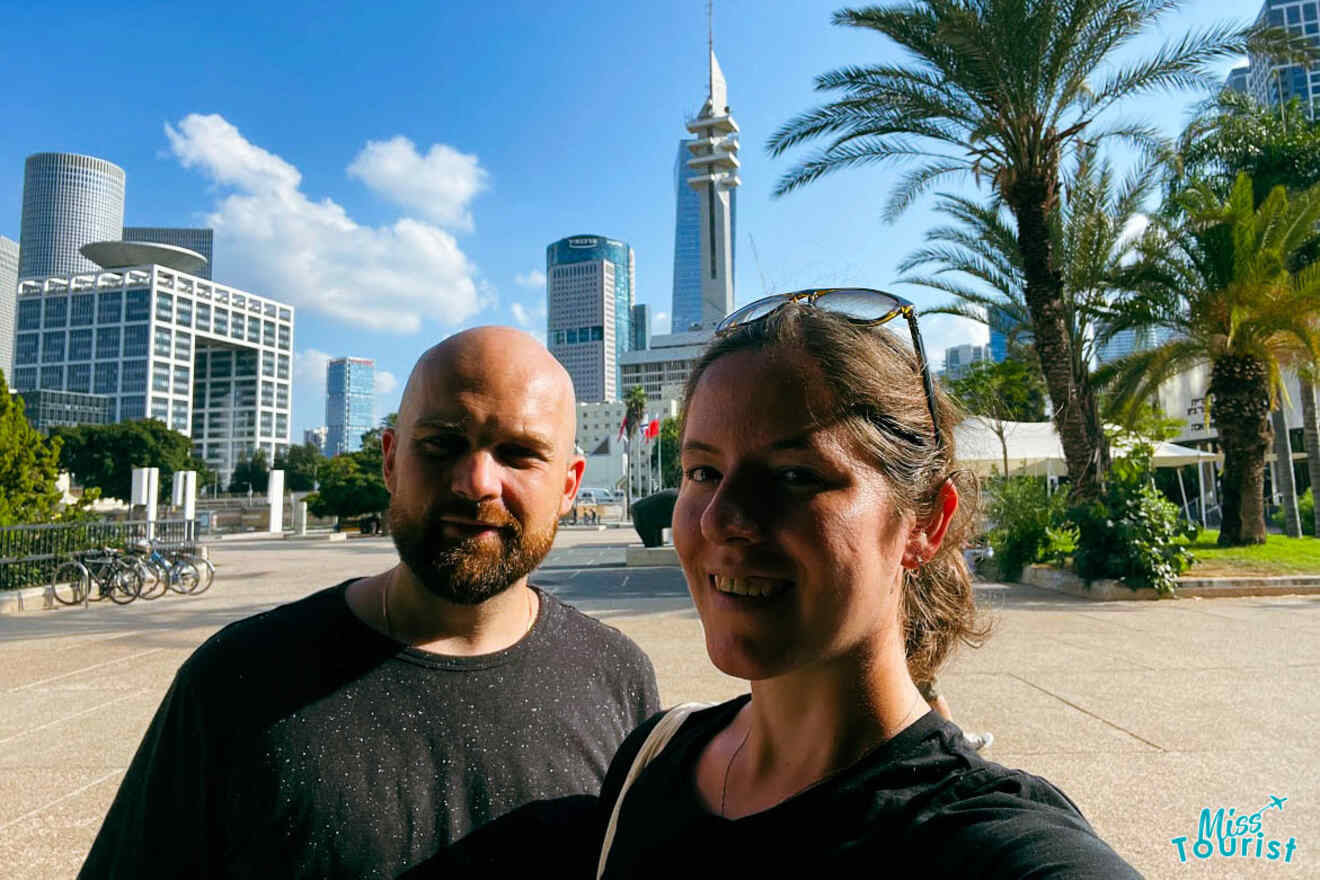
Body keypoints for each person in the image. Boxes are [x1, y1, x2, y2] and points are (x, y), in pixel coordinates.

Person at [82, 327, 659, 879]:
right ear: (390, 460)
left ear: (568, 485)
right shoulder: (235, 680)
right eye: (441, 444)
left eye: (519, 453)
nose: (477, 481)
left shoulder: (618, 678)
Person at [594, 293, 1138, 878]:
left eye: (795, 476)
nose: (720, 519)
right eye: (703, 472)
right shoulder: (650, 761)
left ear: (926, 519)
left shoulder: (981, 841)